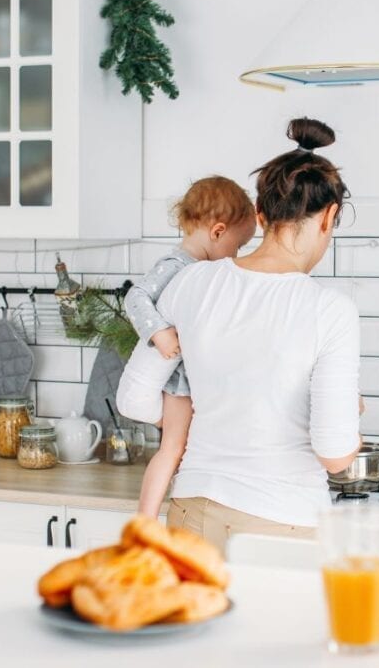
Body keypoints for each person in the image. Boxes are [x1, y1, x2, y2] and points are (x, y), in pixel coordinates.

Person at [117, 117, 363, 552]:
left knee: (192, 622)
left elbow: (133, 399)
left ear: (261, 215)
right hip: (282, 523)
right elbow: (335, 454)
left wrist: (209, 413)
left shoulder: (191, 283)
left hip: (193, 511)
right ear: (329, 217)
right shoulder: (330, 310)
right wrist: (352, 419)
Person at [121, 176, 257, 518]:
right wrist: (159, 333)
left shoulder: (203, 272)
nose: (236, 256)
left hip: (198, 378)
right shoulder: (176, 266)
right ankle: (146, 517)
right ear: (217, 232)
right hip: (180, 381)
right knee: (173, 447)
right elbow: (135, 297)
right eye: (237, 246)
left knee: (188, 447)